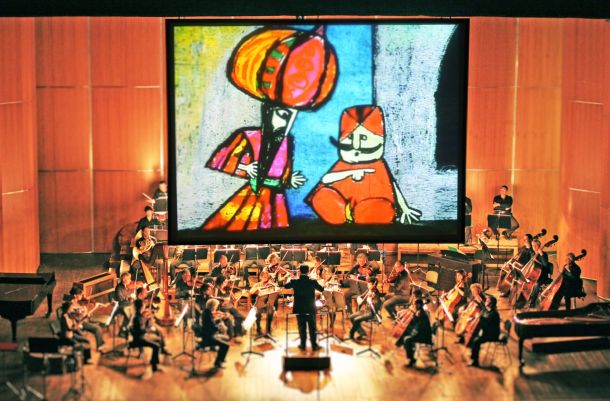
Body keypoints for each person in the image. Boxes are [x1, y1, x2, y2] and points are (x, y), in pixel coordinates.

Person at [201, 26, 338, 232]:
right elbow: (221, 159)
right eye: (282, 114)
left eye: (291, 117)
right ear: (267, 111)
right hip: (254, 195)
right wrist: (246, 168)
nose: (286, 123)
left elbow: (283, 172)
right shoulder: (249, 136)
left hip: (276, 198)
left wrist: (289, 179)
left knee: (277, 224)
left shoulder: (287, 142)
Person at [283, 264, 324, 351]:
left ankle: (303, 345)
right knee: (312, 327)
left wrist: (287, 277)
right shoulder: (313, 281)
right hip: (310, 308)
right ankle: (314, 346)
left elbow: (285, 286)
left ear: (299, 271)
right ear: (308, 272)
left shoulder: (294, 281)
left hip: (299, 308)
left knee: (301, 327)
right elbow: (321, 289)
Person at [131, 299, 166, 373]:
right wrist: (149, 327)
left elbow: (142, 326)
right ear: (141, 307)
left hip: (141, 336)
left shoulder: (138, 315)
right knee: (156, 346)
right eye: (144, 306)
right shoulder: (137, 318)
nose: (145, 308)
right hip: (139, 339)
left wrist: (148, 321)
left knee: (159, 340)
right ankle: (154, 366)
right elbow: (141, 331)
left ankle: (155, 360)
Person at [68, 287, 106, 352]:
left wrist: (85, 310)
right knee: (97, 329)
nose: (82, 296)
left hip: (83, 320)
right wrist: (94, 308)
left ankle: (101, 343)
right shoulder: (71, 305)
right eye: (80, 295)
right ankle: (100, 346)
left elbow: (83, 314)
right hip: (79, 323)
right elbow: (79, 317)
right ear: (75, 295)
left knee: (98, 326)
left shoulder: (77, 302)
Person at [396, 298, 432, 367]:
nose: (414, 306)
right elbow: (415, 324)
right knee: (405, 332)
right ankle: (404, 346)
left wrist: (411, 332)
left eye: (415, 305)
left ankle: (412, 359)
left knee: (407, 339)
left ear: (418, 305)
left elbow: (419, 328)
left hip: (424, 336)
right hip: (419, 332)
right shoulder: (419, 312)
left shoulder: (421, 314)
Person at [468, 295, 500, 367]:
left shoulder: (494, 314)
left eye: (487, 301)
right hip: (485, 332)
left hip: (492, 335)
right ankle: (473, 354)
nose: (485, 302)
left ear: (491, 304)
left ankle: (475, 361)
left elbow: (485, 323)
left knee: (476, 341)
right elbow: (480, 318)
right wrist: (473, 318)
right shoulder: (485, 310)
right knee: (473, 337)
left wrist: (479, 318)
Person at [198, 298, 230, 370]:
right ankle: (218, 363)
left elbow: (212, 324)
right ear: (212, 306)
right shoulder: (207, 315)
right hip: (208, 338)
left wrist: (220, 320)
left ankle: (220, 358)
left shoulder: (206, 312)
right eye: (216, 306)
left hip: (209, 334)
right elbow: (213, 327)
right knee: (225, 345)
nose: (216, 308)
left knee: (225, 340)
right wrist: (219, 327)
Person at [249, 270, 277, 336]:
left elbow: (275, 293)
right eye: (264, 277)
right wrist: (257, 288)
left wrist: (273, 287)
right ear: (261, 277)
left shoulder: (270, 284)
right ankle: (258, 328)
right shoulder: (257, 284)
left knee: (270, 312)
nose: (265, 278)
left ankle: (268, 330)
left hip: (268, 303)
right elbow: (251, 292)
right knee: (257, 314)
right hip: (259, 303)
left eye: (266, 277)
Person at [113, 272, 135, 337]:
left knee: (134, 313)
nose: (130, 280)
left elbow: (127, 295)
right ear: (124, 280)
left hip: (127, 304)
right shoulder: (119, 287)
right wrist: (129, 297)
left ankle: (126, 329)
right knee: (130, 315)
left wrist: (131, 297)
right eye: (129, 279)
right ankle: (123, 331)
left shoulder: (126, 286)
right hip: (122, 306)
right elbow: (119, 298)